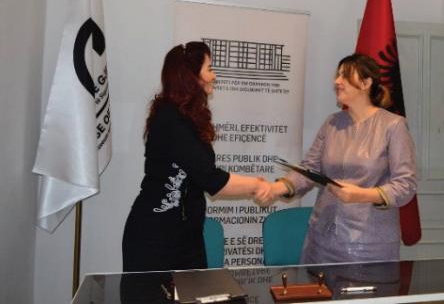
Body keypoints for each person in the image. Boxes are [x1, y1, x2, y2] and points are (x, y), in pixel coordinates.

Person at [122, 41, 272, 272]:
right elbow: (211, 179)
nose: (214, 76)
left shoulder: (187, 118)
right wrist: (257, 185)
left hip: (187, 236)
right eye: (209, 69)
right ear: (191, 77)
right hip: (155, 238)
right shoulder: (171, 120)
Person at [269, 53, 417, 263]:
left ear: (366, 83)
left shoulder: (393, 125)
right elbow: (310, 169)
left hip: (368, 246)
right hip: (320, 241)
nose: (337, 82)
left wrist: (362, 195)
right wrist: (278, 188)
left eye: (345, 76)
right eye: (337, 75)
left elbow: (405, 185)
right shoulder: (332, 123)